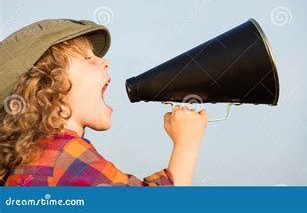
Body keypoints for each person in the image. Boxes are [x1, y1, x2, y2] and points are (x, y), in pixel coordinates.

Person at [0, 19, 208, 186]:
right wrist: (187, 143)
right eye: (87, 58)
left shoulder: (29, 162)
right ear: (47, 86)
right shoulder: (63, 156)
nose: (104, 61)